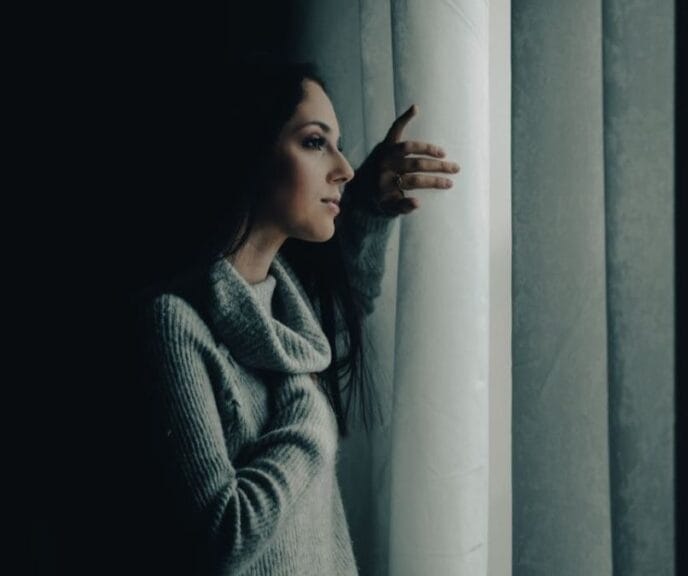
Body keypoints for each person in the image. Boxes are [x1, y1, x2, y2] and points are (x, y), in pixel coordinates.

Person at [131, 56, 460, 575]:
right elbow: (222, 535)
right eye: (314, 142)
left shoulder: (290, 306)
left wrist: (369, 205)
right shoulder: (173, 323)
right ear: (251, 150)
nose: (344, 169)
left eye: (339, 145)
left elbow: (347, 299)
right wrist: (310, 412)